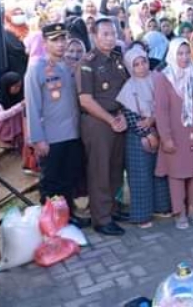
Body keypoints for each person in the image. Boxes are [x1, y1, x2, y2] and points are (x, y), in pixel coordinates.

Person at [25, 23, 88, 228]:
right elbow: (32, 107)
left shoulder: (70, 66)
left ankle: (68, 216)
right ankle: (51, 223)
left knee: (68, 179)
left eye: (63, 39)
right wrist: (38, 139)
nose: (60, 44)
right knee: (51, 183)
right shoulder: (37, 69)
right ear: (45, 43)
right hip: (51, 137)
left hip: (72, 133)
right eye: (55, 40)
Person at [77, 18, 130, 236]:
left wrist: (123, 116)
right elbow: (86, 101)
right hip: (98, 122)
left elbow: (127, 89)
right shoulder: (87, 62)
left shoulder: (117, 58)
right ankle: (101, 218)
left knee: (116, 168)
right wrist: (110, 120)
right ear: (94, 36)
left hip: (118, 118)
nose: (110, 38)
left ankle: (113, 208)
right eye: (105, 34)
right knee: (100, 170)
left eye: (113, 33)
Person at [117, 46, 171, 228]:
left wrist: (153, 120)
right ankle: (142, 216)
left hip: (159, 131)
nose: (141, 67)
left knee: (159, 172)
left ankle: (161, 207)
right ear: (130, 67)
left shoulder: (156, 81)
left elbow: (163, 106)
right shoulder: (128, 87)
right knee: (141, 177)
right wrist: (147, 134)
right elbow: (132, 118)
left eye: (144, 62)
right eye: (136, 64)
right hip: (137, 138)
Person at [155, 38, 193, 230]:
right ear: (172, 55)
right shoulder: (164, 77)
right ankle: (180, 211)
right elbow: (161, 110)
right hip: (175, 132)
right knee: (176, 173)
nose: (184, 57)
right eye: (180, 53)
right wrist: (166, 137)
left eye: (187, 52)